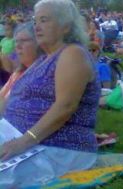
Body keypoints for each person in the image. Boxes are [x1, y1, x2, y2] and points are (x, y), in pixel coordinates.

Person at [0, 0, 100, 188]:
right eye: (35, 20)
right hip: (18, 135)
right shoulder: (43, 59)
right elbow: (12, 99)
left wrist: (23, 142)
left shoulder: (72, 54)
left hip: (59, 146)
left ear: (66, 27)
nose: (37, 26)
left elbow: (65, 107)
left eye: (44, 20)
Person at [0, 22, 39, 114]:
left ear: (39, 43)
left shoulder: (41, 75)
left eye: (24, 40)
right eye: (16, 41)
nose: (18, 46)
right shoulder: (18, 72)